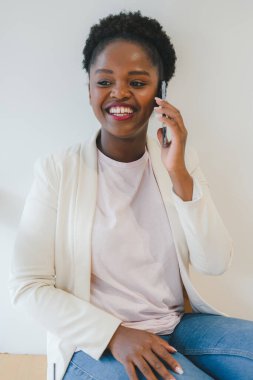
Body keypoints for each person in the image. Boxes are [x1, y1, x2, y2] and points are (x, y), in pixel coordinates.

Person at [9, 10, 253, 380]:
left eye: (137, 82)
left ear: (161, 91)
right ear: (89, 89)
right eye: (104, 81)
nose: (119, 93)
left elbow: (214, 262)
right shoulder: (58, 170)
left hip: (175, 326)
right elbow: (28, 286)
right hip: (93, 345)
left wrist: (179, 175)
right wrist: (115, 335)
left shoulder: (177, 162)